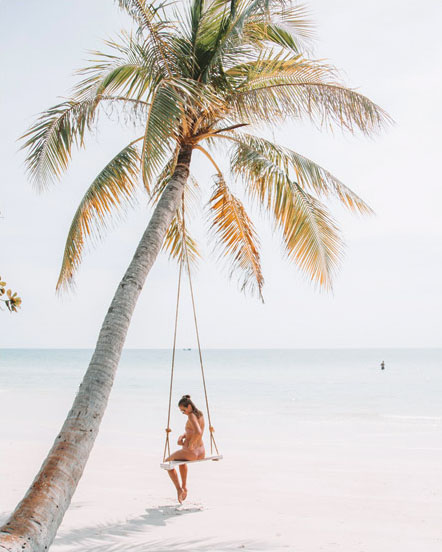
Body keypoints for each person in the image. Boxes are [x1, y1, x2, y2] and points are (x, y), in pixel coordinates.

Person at [164, 394, 205, 503]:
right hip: (201, 451)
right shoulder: (199, 415)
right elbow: (192, 431)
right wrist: (182, 436)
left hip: (192, 453)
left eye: (183, 410)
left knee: (167, 463)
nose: (183, 413)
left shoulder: (191, 416)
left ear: (189, 407)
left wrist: (191, 444)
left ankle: (179, 489)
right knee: (181, 462)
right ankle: (184, 487)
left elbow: (198, 432)